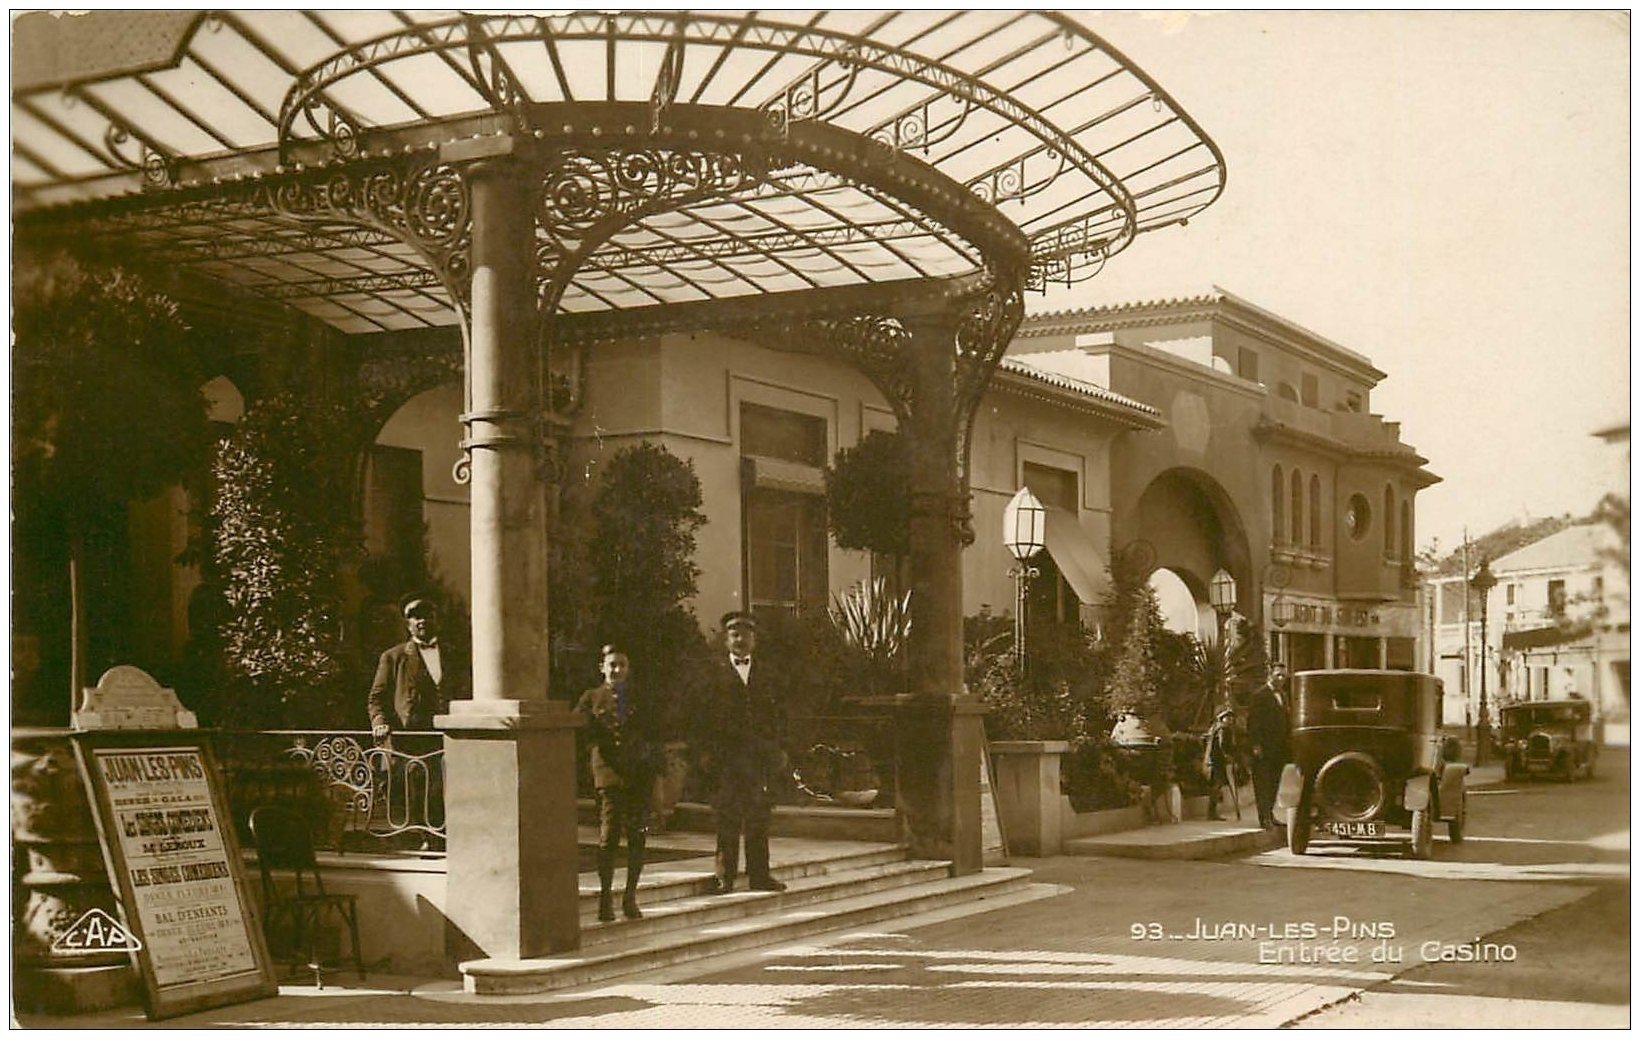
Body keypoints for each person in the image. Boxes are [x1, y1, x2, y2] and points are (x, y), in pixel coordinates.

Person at [367, 593, 468, 845]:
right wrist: (379, 721)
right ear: (407, 623)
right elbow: (376, 697)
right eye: (415, 616)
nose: (421, 620)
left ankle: (454, 838)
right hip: (413, 737)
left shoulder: (454, 654)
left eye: (427, 615)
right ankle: (426, 839)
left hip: (449, 733)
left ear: (436, 619)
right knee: (419, 788)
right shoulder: (394, 656)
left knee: (452, 785)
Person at [702, 611, 786, 894]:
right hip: (726, 760)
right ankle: (725, 876)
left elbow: (778, 716)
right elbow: (701, 717)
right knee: (727, 816)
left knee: (759, 816)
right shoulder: (712, 674)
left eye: (746, 635)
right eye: (735, 635)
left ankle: (759, 875)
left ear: (755, 640)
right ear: (726, 640)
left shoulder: (768, 674)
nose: (741, 640)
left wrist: (777, 750)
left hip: (759, 760)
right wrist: (707, 753)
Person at [574, 645, 660, 922]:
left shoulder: (642, 698)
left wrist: (653, 769)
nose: (617, 670)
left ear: (628, 668)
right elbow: (577, 730)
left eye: (622, 665)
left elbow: (654, 733)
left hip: (638, 776)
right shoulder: (591, 698)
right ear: (602, 667)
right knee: (608, 836)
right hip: (609, 775)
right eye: (612, 665)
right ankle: (605, 898)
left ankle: (629, 897)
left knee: (637, 836)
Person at [1246, 665, 1292, 830]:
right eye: (1278, 675)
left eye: (1284, 676)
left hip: (1279, 748)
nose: (1282, 679)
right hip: (1264, 748)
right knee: (1263, 783)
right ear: (1270, 675)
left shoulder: (1283, 696)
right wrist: (1256, 745)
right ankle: (1263, 817)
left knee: (1274, 782)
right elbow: (1253, 722)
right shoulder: (1260, 695)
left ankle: (1270, 814)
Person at [1202, 706, 1238, 821]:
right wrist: (1228, 756)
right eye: (1227, 717)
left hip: (1212, 762)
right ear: (1222, 718)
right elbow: (1222, 746)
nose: (1230, 720)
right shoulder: (1222, 729)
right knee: (1216, 787)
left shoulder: (1214, 729)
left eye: (1231, 718)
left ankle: (1212, 812)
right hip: (1217, 762)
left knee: (1216, 787)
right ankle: (1212, 813)